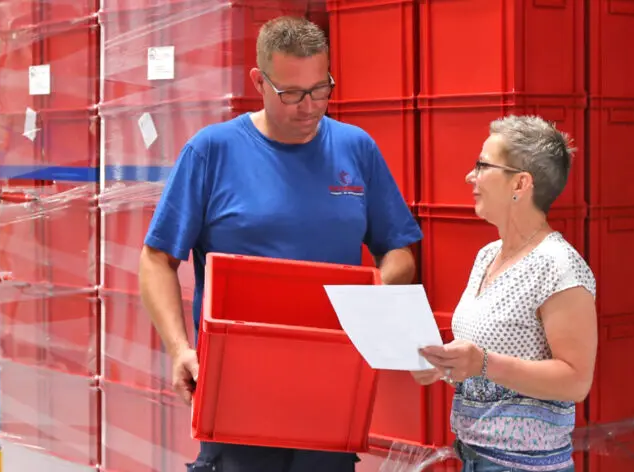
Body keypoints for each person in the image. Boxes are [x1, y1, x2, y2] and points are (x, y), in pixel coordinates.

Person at [137, 15, 423, 472]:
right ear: (259, 82)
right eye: (291, 93)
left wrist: (370, 299)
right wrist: (179, 350)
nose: (309, 107)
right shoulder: (212, 151)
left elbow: (399, 253)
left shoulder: (356, 148)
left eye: (320, 89)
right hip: (238, 389)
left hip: (332, 388)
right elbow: (156, 259)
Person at [416, 115, 598, 472]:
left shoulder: (560, 266)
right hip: (472, 457)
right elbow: (483, 359)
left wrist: (482, 362)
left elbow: (576, 380)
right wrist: (444, 366)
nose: (470, 177)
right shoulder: (487, 255)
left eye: (482, 166)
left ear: (520, 183)